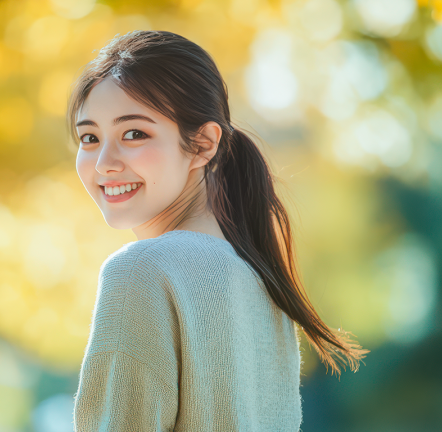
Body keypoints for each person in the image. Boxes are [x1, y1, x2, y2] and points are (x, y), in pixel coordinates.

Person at [67, 30, 368, 431]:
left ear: (203, 144)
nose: (104, 162)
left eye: (134, 133)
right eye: (89, 137)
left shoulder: (141, 271)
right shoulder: (262, 284)